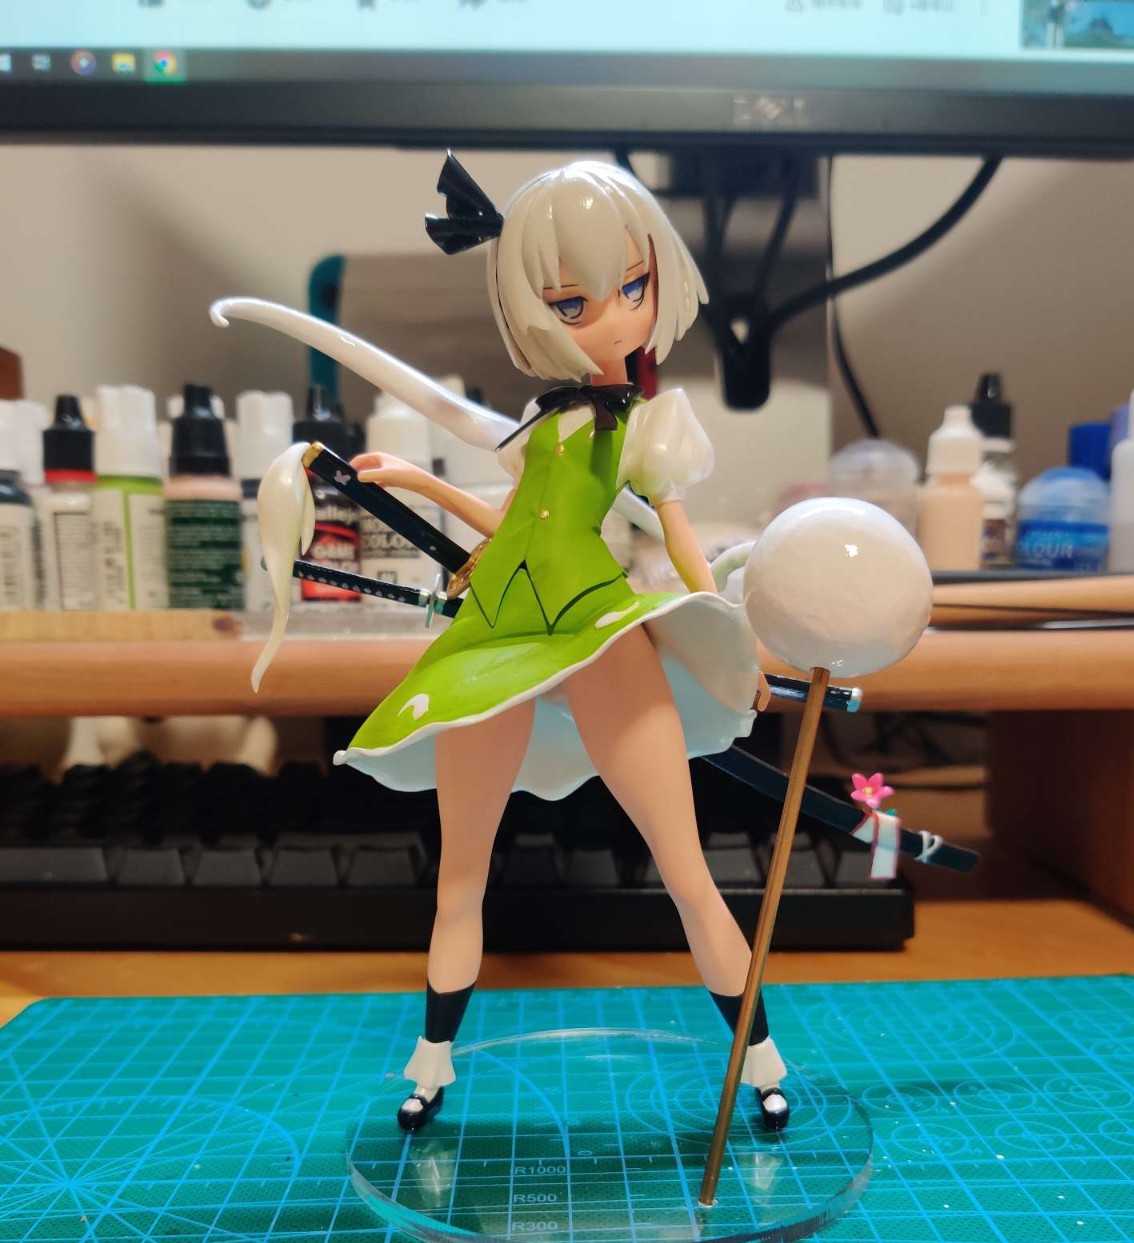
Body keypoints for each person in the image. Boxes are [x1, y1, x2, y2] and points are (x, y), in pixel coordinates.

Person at [254, 155, 795, 1136]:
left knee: (684, 865)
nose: (614, 317)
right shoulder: (545, 425)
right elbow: (511, 525)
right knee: (460, 873)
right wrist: (417, 483)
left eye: (634, 287)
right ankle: (430, 1063)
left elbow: (679, 537)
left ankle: (761, 1057)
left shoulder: (645, 426)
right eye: (574, 302)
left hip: (593, 627)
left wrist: (729, 630)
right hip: (495, 636)